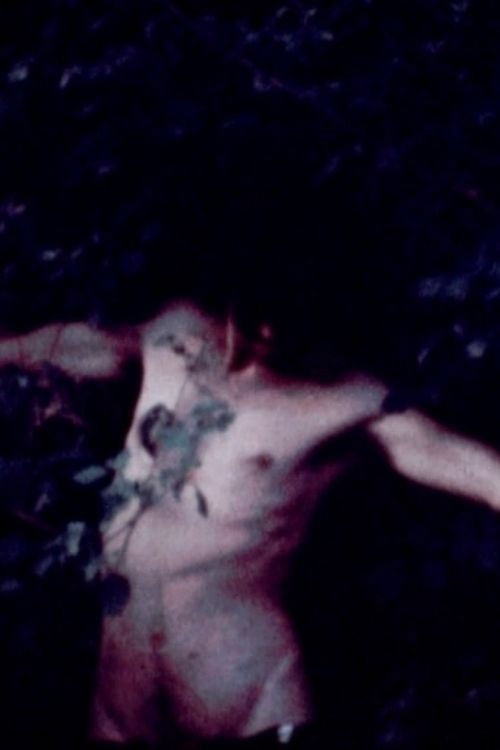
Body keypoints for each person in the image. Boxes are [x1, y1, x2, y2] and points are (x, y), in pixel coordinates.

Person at [2, 2, 500, 748]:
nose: (267, 337)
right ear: (234, 295)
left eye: (287, 322)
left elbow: (478, 470)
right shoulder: (176, 332)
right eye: (257, 316)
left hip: (248, 694)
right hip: (120, 693)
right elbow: (90, 348)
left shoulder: (348, 403)